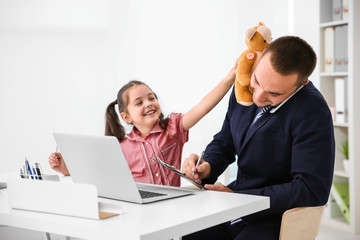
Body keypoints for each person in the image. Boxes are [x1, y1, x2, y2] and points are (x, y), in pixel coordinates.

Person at [181, 36, 335, 240]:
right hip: (234, 207)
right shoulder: (244, 86)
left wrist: (241, 200)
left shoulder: (312, 110)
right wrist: (206, 167)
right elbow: (225, 141)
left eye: (273, 93)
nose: (257, 97)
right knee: (186, 233)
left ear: (300, 85)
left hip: (274, 219)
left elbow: (311, 188)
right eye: (257, 81)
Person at [48, 65, 236, 186]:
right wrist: (66, 169)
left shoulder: (172, 128)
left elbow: (202, 108)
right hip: (139, 208)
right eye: (139, 103)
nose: (148, 104)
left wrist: (228, 80)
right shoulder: (120, 146)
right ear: (126, 117)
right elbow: (97, 174)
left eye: (151, 98)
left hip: (173, 206)